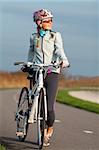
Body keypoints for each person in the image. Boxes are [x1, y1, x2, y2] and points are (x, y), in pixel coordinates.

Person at [27, 9, 70, 146]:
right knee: (37, 103)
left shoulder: (55, 35)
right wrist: (28, 64)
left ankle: (49, 130)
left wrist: (64, 60)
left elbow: (59, 49)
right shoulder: (34, 37)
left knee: (49, 107)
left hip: (52, 71)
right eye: (47, 21)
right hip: (37, 70)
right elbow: (31, 52)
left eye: (51, 20)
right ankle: (39, 129)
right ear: (39, 23)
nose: (50, 23)